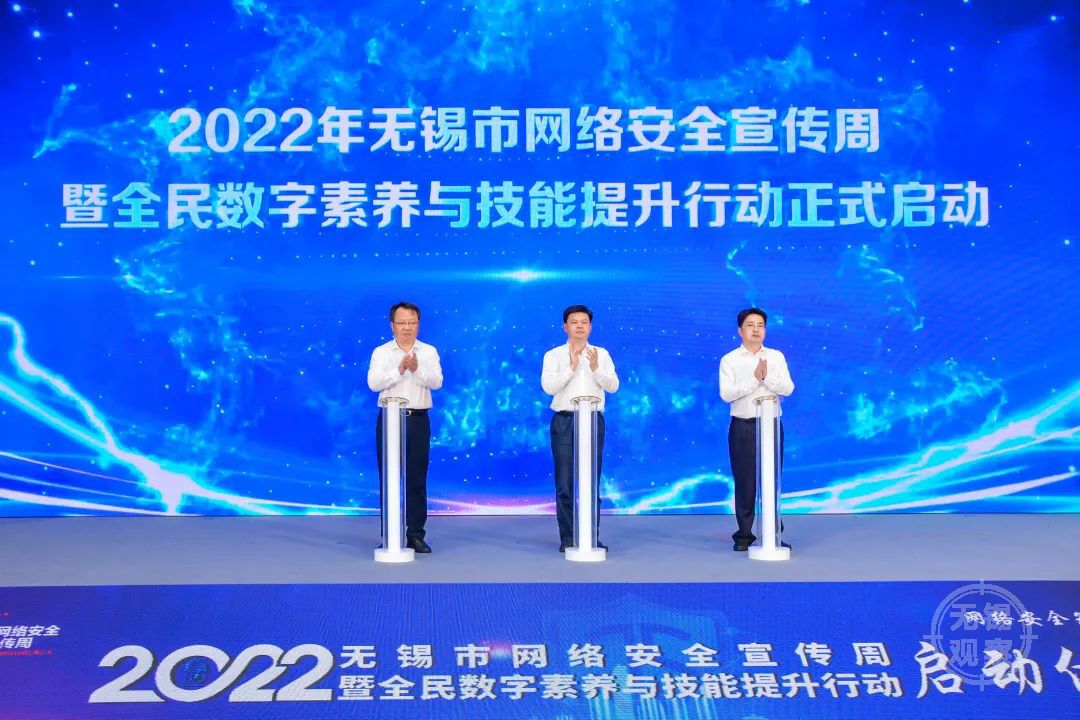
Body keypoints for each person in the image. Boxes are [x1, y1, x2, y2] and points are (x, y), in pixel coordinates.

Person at [541, 304, 620, 552]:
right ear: (565, 327)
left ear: (590, 327)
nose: (579, 326)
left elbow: (613, 386)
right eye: (574, 322)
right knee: (565, 483)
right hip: (564, 421)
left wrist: (595, 368)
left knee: (591, 482)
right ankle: (568, 537)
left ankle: (590, 537)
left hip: (593, 420)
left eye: (584, 322)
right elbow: (549, 387)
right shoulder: (553, 355)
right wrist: (572, 366)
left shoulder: (601, 354)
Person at [367, 302, 443, 553]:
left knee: (417, 478)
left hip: (418, 420)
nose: (407, 327)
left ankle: (416, 534)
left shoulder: (429, 351)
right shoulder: (381, 352)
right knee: (389, 477)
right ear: (392, 325)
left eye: (412, 322)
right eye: (402, 323)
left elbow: (437, 382)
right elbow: (374, 383)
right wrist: (399, 370)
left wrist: (416, 369)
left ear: (418, 324)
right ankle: (390, 534)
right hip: (389, 419)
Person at [719, 307, 795, 551]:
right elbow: (726, 394)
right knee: (745, 481)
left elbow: (788, 388)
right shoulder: (730, 360)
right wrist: (754, 379)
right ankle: (744, 535)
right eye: (750, 325)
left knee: (771, 480)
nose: (756, 330)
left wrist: (765, 378)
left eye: (760, 325)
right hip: (743, 426)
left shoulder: (776, 357)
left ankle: (773, 535)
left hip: (771, 425)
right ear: (740, 330)